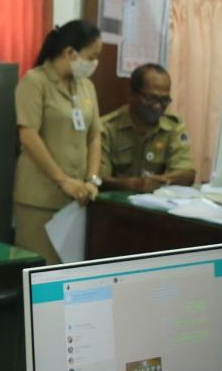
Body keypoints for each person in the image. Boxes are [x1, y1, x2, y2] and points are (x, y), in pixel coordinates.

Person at [13, 20, 104, 264]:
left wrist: (92, 180)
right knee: (41, 270)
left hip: (77, 198)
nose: (95, 63)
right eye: (91, 57)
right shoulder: (35, 82)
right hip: (40, 199)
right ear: (70, 53)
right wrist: (62, 180)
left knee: (70, 273)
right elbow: (29, 136)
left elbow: (95, 135)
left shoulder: (86, 87)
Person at [100, 63, 196, 192]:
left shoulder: (173, 125)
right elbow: (98, 180)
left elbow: (187, 174)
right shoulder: (107, 128)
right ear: (131, 94)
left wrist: (157, 181)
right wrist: (133, 185)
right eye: (150, 98)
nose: (157, 107)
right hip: (114, 207)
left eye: (164, 100)